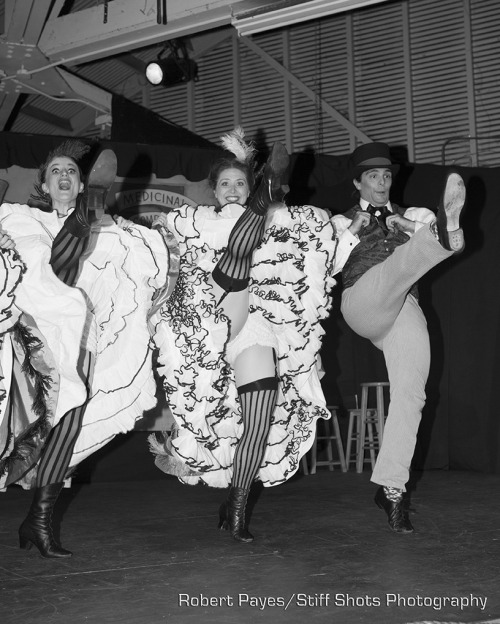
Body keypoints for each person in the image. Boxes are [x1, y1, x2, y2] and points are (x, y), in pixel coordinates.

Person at [149, 128, 338, 542]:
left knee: (258, 419)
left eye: (241, 184)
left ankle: (236, 508)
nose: (232, 190)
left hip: (254, 328)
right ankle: (267, 188)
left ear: (250, 189)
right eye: (225, 185)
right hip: (210, 320)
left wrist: (307, 345)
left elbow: (302, 285)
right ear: (214, 193)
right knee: (234, 263)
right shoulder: (195, 225)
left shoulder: (282, 226)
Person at [0, 140, 174, 557]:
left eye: (72, 173)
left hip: (80, 340)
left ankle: (38, 522)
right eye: (56, 170)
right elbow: (38, 276)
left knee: (68, 427)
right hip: (32, 337)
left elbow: (141, 277)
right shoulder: (23, 221)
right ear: (44, 183)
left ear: (79, 186)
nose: (64, 175)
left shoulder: (115, 234)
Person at [331, 141, 466, 533]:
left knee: (412, 394)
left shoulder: (413, 214)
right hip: (363, 300)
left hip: (401, 306)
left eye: (387, 176)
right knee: (399, 265)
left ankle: (391, 489)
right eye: (373, 176)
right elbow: (327, 265)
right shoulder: (340, 222)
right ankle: (444, 236)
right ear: (358, 182)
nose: (382, 182)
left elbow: (416, 230)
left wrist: (408, 227)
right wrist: (353, 232)